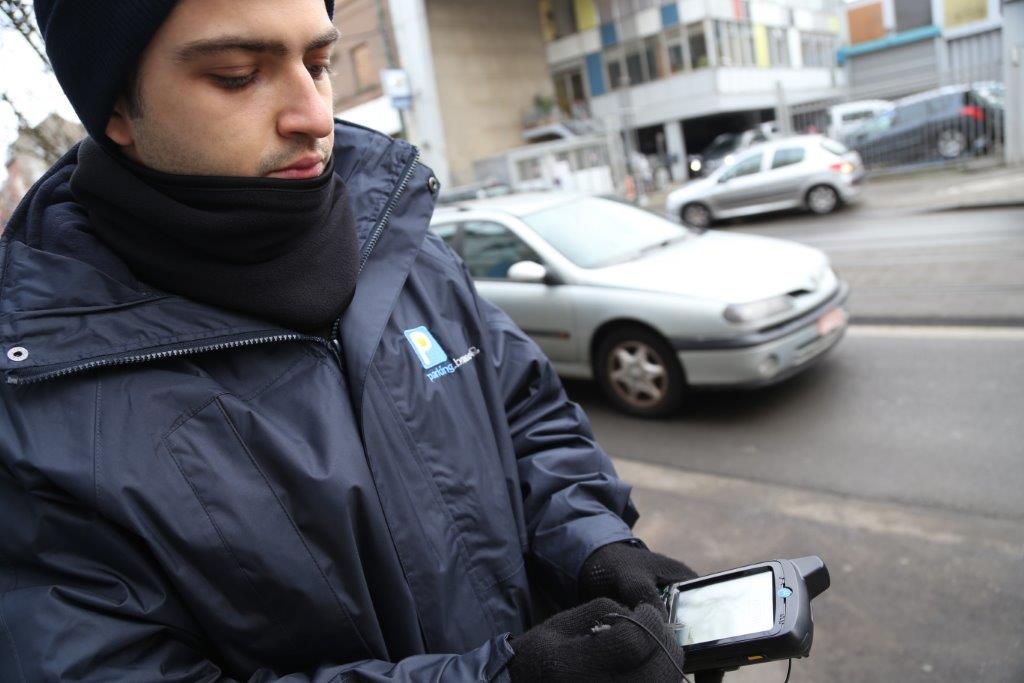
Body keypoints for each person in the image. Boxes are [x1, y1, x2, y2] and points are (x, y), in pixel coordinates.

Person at [0, 1, 697, 680]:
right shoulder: (37, 401)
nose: (313, 116)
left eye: (320, 62)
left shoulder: (403, 244)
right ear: (115, 104)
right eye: (239, 75)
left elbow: (526, 413)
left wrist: (591, 543)